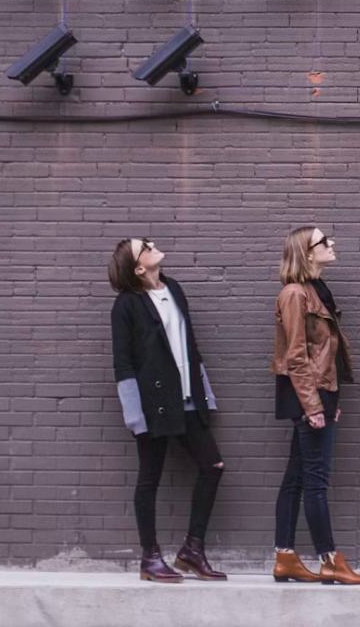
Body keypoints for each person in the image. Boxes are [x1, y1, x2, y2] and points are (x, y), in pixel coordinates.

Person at [108, 237, 226, 583]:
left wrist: (205, 393)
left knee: (213, 466)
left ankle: (192, 549)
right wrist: (135, 416)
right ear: (138, 267)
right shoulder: (126, 306)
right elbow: (122, 364)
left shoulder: (174, 288)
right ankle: (150, 558)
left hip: (188, 400)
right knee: (149, 479)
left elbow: (190, 345)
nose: (152, 244)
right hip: (153, 406)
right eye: (144, 246)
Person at [270, 225, 360, 586]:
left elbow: (324, 354)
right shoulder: (295, 295)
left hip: (318, 393)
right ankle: (330, 559)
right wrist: (314, 405)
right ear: (307, 253)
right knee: (315, 480)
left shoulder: (315, 290)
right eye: (323, 241)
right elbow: (296, 356)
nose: (332, 243)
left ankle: (285, 557)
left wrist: (330, 398)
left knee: (297, 478)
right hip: (307, 395)